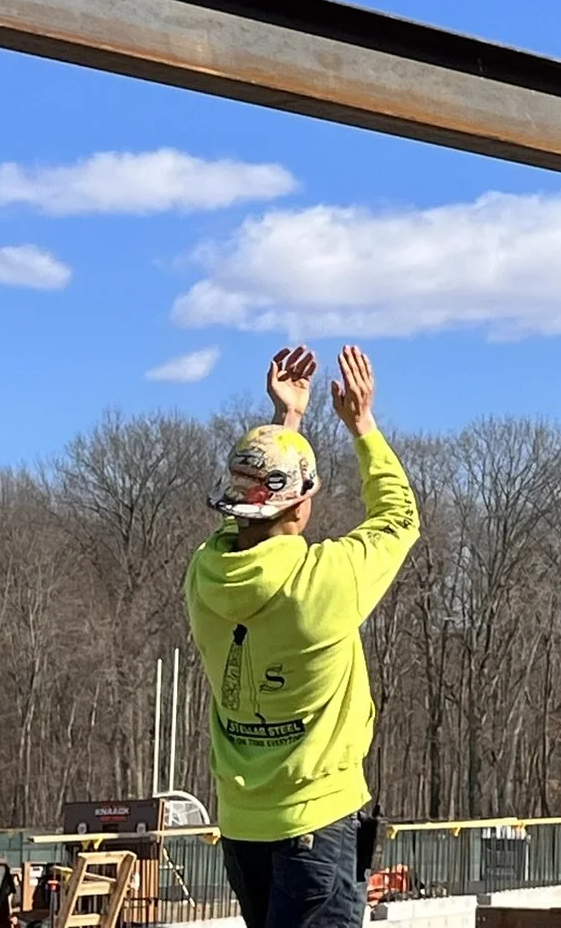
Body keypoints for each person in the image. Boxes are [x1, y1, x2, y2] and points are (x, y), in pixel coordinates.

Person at [185, 345, 419, 928]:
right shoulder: (321, 583)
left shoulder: (205, 575)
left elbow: (245, 519)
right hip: (319, 825)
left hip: (241, 828)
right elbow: (397, 519)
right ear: (302, 504)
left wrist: (286, 423)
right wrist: (361, 422)